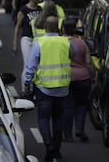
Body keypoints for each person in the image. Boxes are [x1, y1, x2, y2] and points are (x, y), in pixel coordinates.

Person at [24, 16, 76, 162]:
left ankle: (49, 145)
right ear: (58, 28)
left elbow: (31, 65)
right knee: (59, 119)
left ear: (45, 27)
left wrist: (27, 83)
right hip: (62, 88)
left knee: (43, 118)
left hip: (44, 88)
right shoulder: (66, 42)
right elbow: (74, 54)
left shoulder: (39, 42)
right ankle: (56, 149)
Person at [62, 19, 95, 143]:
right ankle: (79, 129)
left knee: (68, 106)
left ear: (63, 29)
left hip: (67, 78)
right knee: (81, 105)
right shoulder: (82, 44)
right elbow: (88, 62)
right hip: (83, 78)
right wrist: (93, 75)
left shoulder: (61, 43)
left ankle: (67, 134)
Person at [12, 0, 42, 92]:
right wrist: (15, 44)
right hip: (27, 39)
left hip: (38, 40)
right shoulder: (23, 10)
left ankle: (34, 88)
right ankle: (25, 89)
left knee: (38, 65)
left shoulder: (40, 10)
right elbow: (17, 27)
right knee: (28, 64)